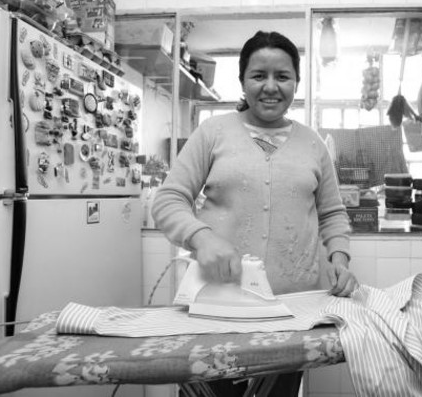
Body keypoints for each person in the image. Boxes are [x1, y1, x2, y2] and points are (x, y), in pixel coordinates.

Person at [151, 30, 358, 397]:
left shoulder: (312, 144)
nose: (271, 87)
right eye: (258, 75)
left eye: (283, 76)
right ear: (242, 81)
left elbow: (332, 214)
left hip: (294, 313)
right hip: (217, 307)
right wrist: (203, 238)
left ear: (296, 81)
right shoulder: (212, 133)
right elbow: (168, 200)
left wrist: (339, 260)